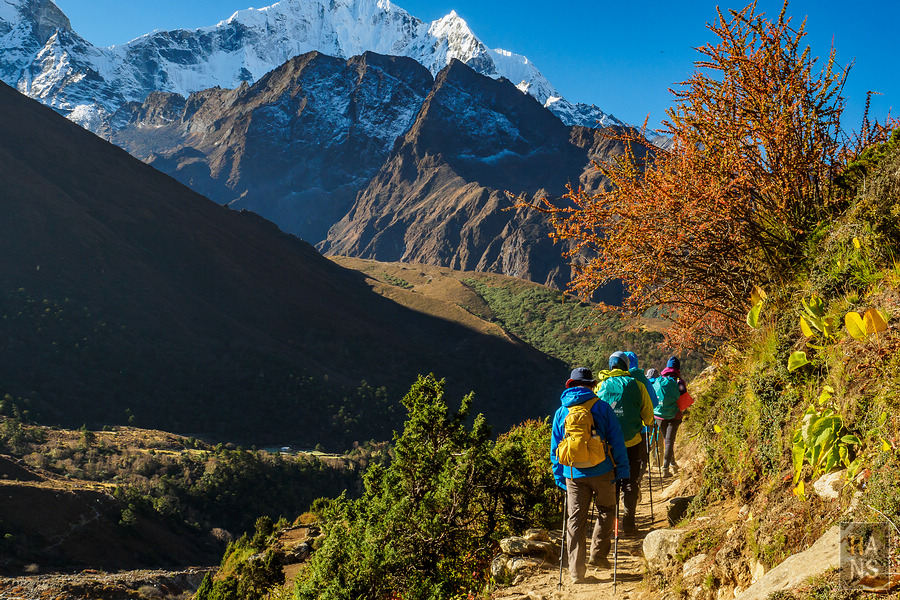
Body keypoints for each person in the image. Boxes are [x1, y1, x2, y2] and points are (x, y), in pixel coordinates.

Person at [551, 367, 630, 584]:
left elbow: (555, 449)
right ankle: (598, 555)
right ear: (592, 385)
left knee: (575, 520)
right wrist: (622, 471)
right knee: (607, 510)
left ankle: (576, 572)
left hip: (573, 474)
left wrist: (560, 476)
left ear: (572, 385)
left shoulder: (561, 411)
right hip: (603, 471)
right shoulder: (602, 407)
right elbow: (617, 441)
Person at [597, 352, 654, 534]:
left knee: (611, 483)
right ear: (626, 365)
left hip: (608, 446)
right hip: (632, 443)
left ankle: (611, 526)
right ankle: (629, 524)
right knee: (629, 483)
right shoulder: (637, 385)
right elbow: (648, 417)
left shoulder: (600, 386)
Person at [653, 356, 689, 476]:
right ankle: (665, 468)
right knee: (669, 441)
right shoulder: (679, 382)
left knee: (667, 440)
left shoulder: (658, 380)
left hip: (659, 415)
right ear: (678, 368)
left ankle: (673, 464)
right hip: (674, 415)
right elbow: (684, 399)